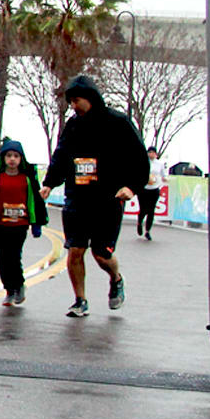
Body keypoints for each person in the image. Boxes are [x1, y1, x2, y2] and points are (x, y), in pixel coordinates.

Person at [40, 75, 148, 317]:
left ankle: (116, 278)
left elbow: (139, 158)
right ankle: (80, 300)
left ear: (90, 98)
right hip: (77, 198)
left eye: (76, 100)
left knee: (101, 254)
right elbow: (60, 155)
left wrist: (131, 187)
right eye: (70, 102)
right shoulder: (72, 126)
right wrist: (49, 183)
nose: (73, 106)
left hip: (108, 200)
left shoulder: (118, 122)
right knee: (75, 250)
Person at [0, 140, 47, 307]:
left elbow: (34, 202)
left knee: (14, 257)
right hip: (2, 226)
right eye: (9, 156)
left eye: (16, 156)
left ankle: (19, 285)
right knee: (2, 258)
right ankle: (9, 290)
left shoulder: (27, 179)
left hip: (20, 226)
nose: (12, 159)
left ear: (21, 159)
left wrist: (36, 224)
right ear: (3, 158)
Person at [137, 146, 167, 240]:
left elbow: (163, 174)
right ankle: (139, 222)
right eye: (149, 152)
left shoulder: (160, 164)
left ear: (156, 154)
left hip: (154, 188)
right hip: (144, 188)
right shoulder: (143, 162)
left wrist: (165, 179)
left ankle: (147, 231)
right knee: (143, 209)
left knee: (151, 210)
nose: (151, 154)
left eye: (153, 153)